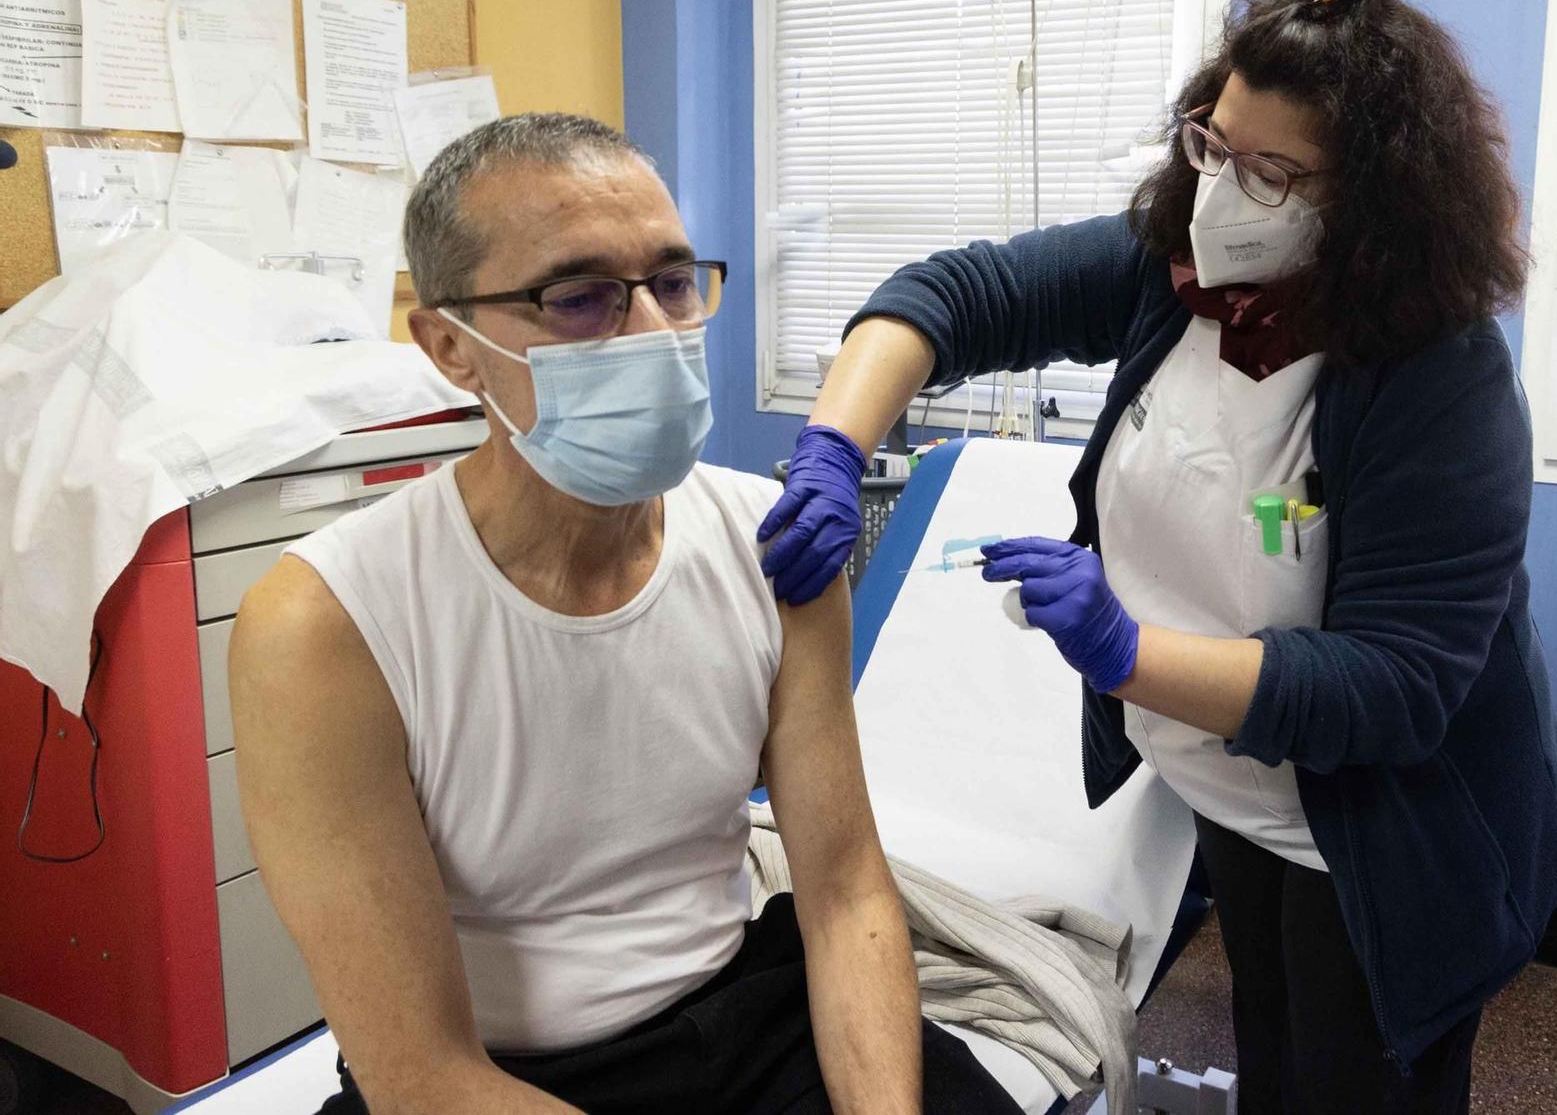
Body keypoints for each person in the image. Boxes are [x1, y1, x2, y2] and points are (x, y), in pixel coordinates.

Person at [760, 0, 1557, 1115]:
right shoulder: (1172, 271)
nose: (1220, 192)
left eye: (1272, 173)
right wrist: (831, 450)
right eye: (1210, 142)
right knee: (1274, 1060)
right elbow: (952, 294)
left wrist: (1122, 650)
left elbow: (1395, 687)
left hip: (1394, 830)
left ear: (1373, 200)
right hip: (1233, 782)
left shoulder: (1438, 379)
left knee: (1359, 1082)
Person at [230, 114, 1015, 1115]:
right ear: (449, 348)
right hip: (498, 1075)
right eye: (581, 296)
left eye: (674, 282)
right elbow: (421, 1074)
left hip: (744, 1020)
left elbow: (845, 887)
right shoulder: (328, 626)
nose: (653, 332)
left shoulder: (770, 547)